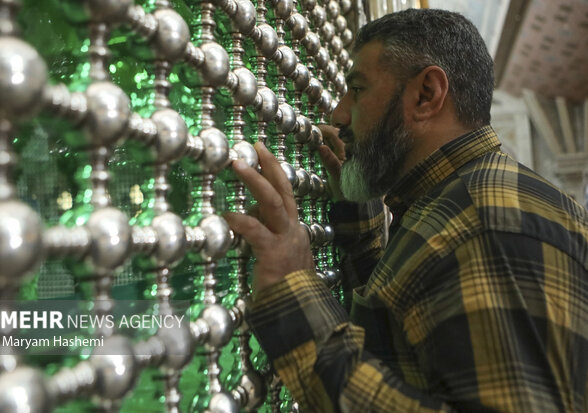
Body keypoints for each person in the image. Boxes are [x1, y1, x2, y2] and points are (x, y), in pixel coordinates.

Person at [224, 8, 588, 412]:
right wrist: (361, 233)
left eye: (358, 89)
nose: (339, 114)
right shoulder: (460, 203)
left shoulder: (488, 226)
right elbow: (413, 341)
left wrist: (290, 288)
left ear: (426, 95)